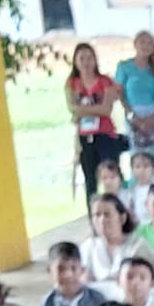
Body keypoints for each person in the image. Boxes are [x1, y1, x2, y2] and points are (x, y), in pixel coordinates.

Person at [65, 43, 124, 203]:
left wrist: (81, 110)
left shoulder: (105, 81)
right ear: (75, 61)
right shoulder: (72, 83)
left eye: (89, 57)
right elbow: (71, 107)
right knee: (90, 179)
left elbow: (106, 109)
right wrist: (91, 109)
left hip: (105, 134)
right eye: (82, 58)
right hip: (84, 136)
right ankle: (95, 214)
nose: (86, 62)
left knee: (111, 175)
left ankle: (117, 209)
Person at [114, 31, 154, 171]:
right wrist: (133, 116)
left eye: (149, 43)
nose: (146, 46)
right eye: (142, 42)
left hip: (152, 114)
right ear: (135, 44)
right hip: (133, 113)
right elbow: (119, 94)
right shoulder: (125, 67)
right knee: (137, 156)